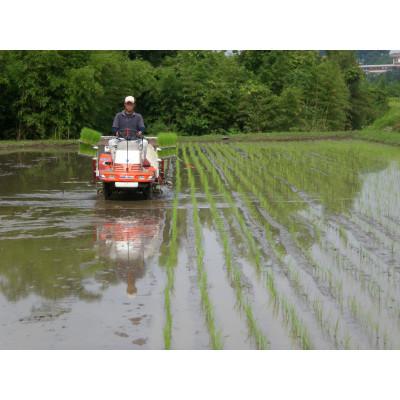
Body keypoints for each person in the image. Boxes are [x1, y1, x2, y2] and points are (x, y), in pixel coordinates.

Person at [109, 96, 148, 160]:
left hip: (135, 139)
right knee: (111, 142)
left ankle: (141, 162)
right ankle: (114, 162)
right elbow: (114, 128)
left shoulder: (138, 116)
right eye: (128, 104)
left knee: (145, 142)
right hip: (121, 139)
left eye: (131, 104)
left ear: (134, 105)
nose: (129, 106)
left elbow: (142, 128)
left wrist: (140, 132)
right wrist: (116, 132)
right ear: (125, 104)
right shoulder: (118, 115)